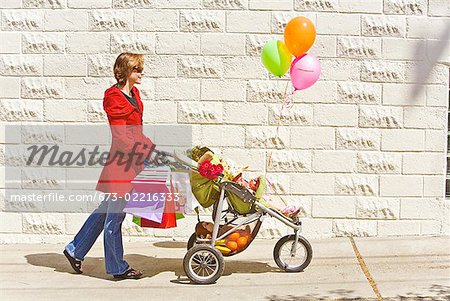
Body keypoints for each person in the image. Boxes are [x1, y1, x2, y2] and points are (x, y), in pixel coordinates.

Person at [63, 52, 156, 280]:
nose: (141, 73)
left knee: (106, 211)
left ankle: (74, 249)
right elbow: (122, 137)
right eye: (137, 69)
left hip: (133, 161)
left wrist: (152, 149)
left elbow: (136, 132)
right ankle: (117, 268)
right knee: (115, 217)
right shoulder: (114, 97)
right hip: (122, 165)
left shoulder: (134, 94)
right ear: (125, 72)